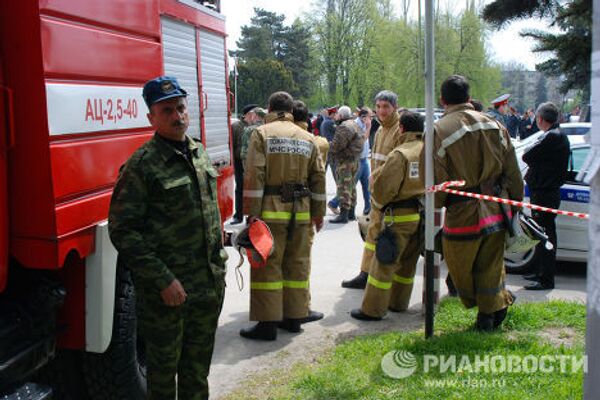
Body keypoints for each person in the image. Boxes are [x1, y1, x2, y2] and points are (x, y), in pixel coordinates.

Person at [108, 76, 226, 399]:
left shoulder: (198, 152)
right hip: (168, 298)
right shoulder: (141, 166)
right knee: (162, 382)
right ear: (152, 118)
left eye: (181, 107)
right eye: (167, 110)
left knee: (197, 375)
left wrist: (223, 256)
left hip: (206, 288)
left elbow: (206, 214)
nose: (178, 116)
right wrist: (162, 279)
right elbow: (122, 229)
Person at [434, 75, 523, 331]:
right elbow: (513, 171)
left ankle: (487, 316)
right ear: (469, 98)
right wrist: (514, 204)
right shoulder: (495, 125)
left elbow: (437, 179)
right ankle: (494, 308)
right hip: (496, 207)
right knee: (490, 265)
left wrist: (436, 206)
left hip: (462, 212)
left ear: (442, 100)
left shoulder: (439, 130)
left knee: (460, 268)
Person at [241, 91, 326, 341]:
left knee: (267, 265)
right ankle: (294, 319)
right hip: (300, 211)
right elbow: (318, 177)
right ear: (290, 110)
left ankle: (267, 325)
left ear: (269, 108)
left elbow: (254, 174)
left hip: (270, 210)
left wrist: (252, 214)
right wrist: (318, 214)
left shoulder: (261, 134)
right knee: (296, 263)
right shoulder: (308, 137)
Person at [351, 111, 425, 320]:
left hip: (397, 218)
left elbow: (384, 189)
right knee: (407, 265)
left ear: (401, 128)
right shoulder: (428, 151)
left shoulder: (400, 154)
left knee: (383, 265)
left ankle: (372, 310)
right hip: (419, 217)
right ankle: (398, 303)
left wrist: (376, 205)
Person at [341, 90, 402, 289]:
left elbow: (397, 164)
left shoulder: (399, 130)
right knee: (371, 236)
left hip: (391, 196)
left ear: (395, 107)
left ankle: (381, 280)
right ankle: (365, 274)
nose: (381, 111)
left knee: (388, 241)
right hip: (378, 194)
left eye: (386, 107)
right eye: (378, 107)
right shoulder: (382, 129)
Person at [522, 102, 570, 290]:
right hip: (543, 191)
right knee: (540, 234)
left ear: (540, 119)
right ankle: (540, 272)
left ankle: (546, 279)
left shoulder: (552, 137)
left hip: (545, 193)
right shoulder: (554, 135)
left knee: (546, 236)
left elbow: (528, 156)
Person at [291, 99, 327, 325]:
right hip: (305, 207)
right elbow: (319, 179)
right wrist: (319, 212)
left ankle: (281, 308)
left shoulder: (272, 138)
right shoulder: (317, 142)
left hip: (276, 208)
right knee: (301, 261)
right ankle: (301, 307)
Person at [328, 107, 373, 216]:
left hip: (346, 160)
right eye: (370, 116)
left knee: (345, 186)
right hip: (355, 159)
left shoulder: (344, 126)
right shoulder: (354, 124)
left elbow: (337, 146)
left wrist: (327, 145)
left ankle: (343, 214)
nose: (336, 115)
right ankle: (351, 212)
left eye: (337, 114)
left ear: (341, 115)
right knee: (351, 187)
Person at [231, 103, 259, 224]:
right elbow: (231, 144)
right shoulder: (236, 126)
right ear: (248, 114)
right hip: (239, 162)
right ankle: (238, 215)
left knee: (255, 189)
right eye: (254, 113)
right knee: (240, 188)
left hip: (254, 162)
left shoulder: (257, 126)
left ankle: (253, 217)